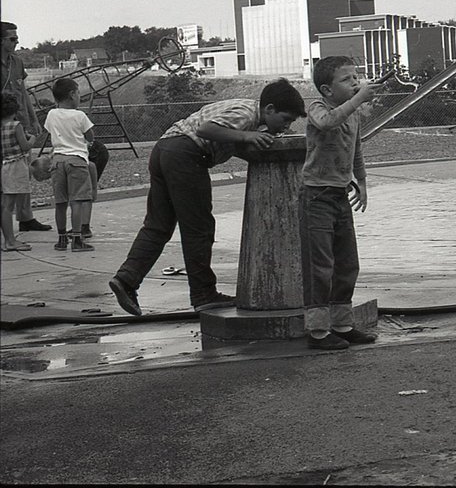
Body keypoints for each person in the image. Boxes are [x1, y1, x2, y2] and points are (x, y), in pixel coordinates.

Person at [107, 79, 306, 316]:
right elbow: (206, 130)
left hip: (165, 149)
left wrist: (252, 147)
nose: (285, 127)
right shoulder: (246, 114)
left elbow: (227, 140)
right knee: (199, 228)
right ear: (269, 109)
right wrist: (247, 137)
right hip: (186, 154)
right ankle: (203, 294)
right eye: (285, 120)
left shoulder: (243, 112)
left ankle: (126, 280)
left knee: (158, 225)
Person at [300, 56, 380, 350]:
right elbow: (328, 123)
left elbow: (356, 149)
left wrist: (362, 182)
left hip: (340, 194)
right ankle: (318, 331)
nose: (356, 82)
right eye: (347, 80)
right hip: (316, 195)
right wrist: (358, 99)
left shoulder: (354, 114)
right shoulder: (318, 108)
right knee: (320, 265)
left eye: (356, 77)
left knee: (347, 263)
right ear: (327, 89)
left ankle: (342, 324)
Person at [0, 22, 51, 232]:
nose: (16, 41)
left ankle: (26, 217)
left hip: (20, 122)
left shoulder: (18, 63)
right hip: (3, 127)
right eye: (12, 38)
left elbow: (24, 93)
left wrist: (33, 119)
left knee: (22, 171)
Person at [44, 78, 96, 252]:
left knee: (60, 202)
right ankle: (76, 239)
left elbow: (52, 131)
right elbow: (90, 136)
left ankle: (61, 240)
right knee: (77, 201)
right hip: (77, 160)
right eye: (78, 93)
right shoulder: (80, 115)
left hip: (57, 160)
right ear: (72, 95)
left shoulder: (51, 114)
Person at [1, 94, 34, 251]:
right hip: (16, 166)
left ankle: (8, 239)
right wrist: (33, 139)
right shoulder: (16, 125)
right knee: (8, 205)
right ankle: (10, 241)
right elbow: (25, 146)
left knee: (6, 204)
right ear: (14, 110)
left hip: (5, 165)